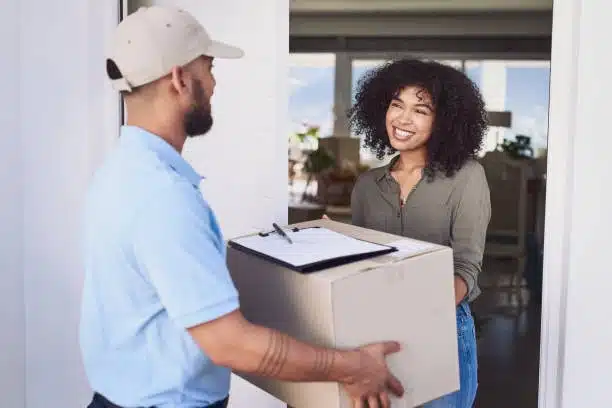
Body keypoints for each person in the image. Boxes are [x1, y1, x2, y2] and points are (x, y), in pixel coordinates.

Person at [80, 6, 404, 408]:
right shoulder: (161, 195)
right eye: (209, 68)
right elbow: (230, 345)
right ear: (180, 79)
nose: (214, 84)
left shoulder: (121, 170)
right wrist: (352, 366)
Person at [346, 59, 491, 407]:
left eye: (420, 110)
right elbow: (360, 268)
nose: (403, 119)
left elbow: (466, 269)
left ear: (444, 121)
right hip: (376, 330)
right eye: (397, 105)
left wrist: (415, 312)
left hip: (442, 326)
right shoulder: (367, 186)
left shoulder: (467, 177)